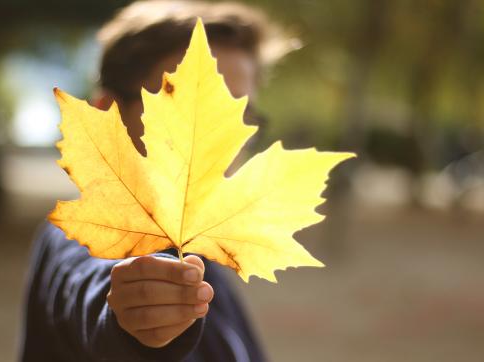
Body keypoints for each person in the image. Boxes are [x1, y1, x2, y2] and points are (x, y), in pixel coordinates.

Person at [20, 1, 298, 361]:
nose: (226, 142)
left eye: (239, 117)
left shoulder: (203, 257)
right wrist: (130, 321)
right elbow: (88, 286)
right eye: (187, 110)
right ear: (109, 115)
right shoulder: (77, 242)